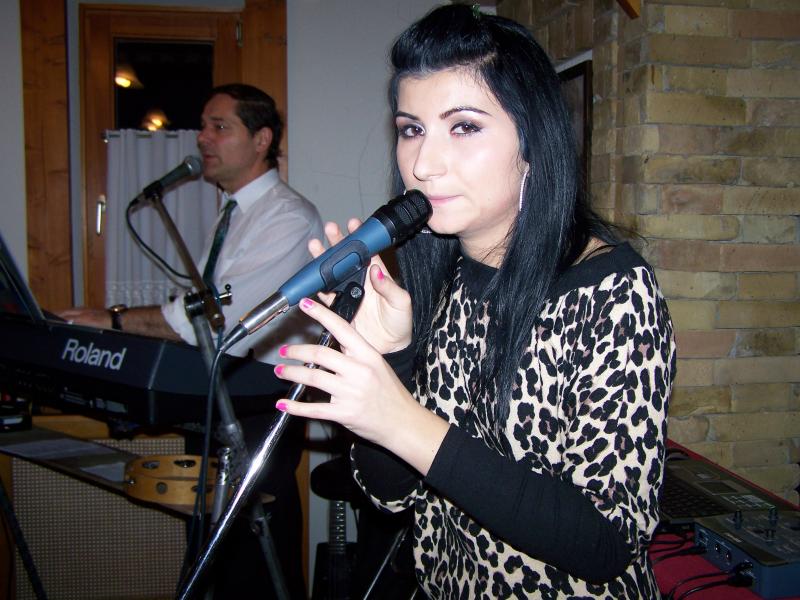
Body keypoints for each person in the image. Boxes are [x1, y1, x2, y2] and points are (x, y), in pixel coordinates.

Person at [273, 6, 676, 600]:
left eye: (463, 127)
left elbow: (606, 542)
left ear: (532, 140)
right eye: (412, 129)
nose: (422, 164)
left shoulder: (613, 292)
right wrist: (392, 359)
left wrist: (405, 421)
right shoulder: (435, 277)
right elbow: (391, 495)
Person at [61, 83, 322, 599]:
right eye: (203, 126)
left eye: (219, 127)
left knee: (253, 562)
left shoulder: (287, 218)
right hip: (216, 396)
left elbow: (217, 317)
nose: (202, 138)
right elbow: (204, 305)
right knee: (212, 554)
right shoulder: (234, 214)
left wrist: (112, 321)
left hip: (256, 405)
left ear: (262, 140)